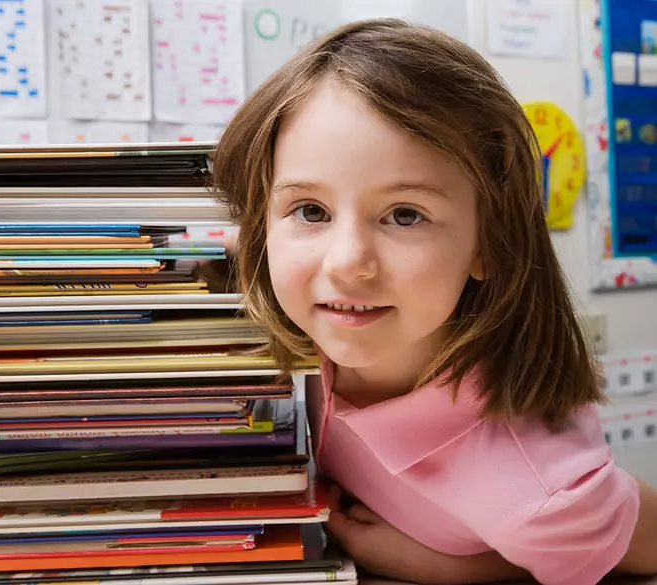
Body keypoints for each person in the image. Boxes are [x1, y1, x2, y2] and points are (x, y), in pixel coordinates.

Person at [209, 18, 657, 585]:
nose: (346, 261)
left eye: (405, 215)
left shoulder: (543, 492)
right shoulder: (329, 309)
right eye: (311, 211)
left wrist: (463, 570)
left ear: (489, 243)